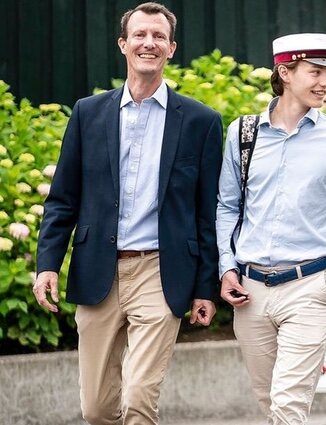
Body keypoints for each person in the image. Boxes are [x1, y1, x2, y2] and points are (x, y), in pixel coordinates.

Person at [33, 2, 223, 424]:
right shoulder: (88, 113)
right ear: (123, 44)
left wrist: (205, 287)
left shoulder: (201, 122)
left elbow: (207, 212)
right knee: (97, 408)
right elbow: (63, 197)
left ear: (171, 48)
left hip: (162, 270)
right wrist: (48, 264)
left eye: (158, 36)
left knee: (139, 397)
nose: (148, 43)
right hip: (98, 268)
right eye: (139, 35)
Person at [216, 33, 326, 424]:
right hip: (251, 290)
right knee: (269, 401)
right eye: (315, 71)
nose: (325, 81)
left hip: (309, 286)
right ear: (285, 72)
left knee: (288, 403)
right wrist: (227, 268)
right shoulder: (242, 135)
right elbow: (226, 207)